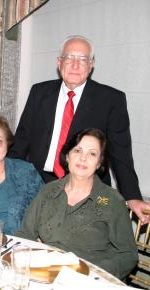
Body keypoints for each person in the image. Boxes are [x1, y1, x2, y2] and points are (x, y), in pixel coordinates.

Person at [8, 34, 150, 222]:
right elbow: (22, 141)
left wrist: (132, 196)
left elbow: (120, 153)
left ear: (91, 65)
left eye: (82, 59)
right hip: (37, 185)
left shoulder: (111, 100)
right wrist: (5, 176)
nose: (75, 65)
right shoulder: (39, 92)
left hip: (86, 191)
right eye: (69, 57)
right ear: (59, 62)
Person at [17, 128, 138, 279]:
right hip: (46, 275)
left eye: (92, 153)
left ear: (99, 162)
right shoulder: (48, 191)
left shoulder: (112, 201)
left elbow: (128, 254)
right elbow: (25, 234)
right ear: (67, 156)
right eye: (77, 150)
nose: (83, 158)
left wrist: (92, 273)